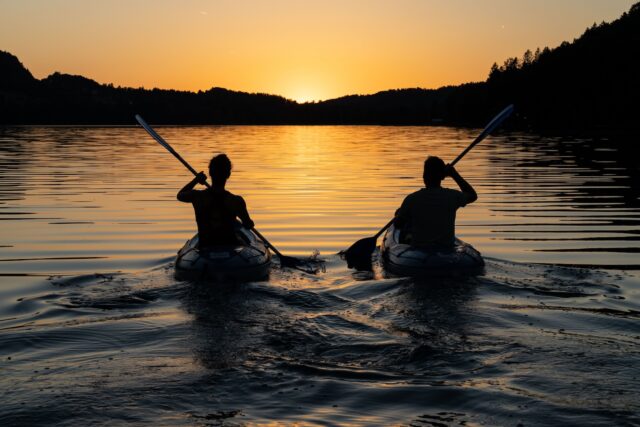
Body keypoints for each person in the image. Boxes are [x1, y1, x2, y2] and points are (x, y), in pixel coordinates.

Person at [394, 156, 477, 250]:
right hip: (447, 251)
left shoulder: (412, 199)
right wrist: (454, 175)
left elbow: (398, 225)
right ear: (443, 177)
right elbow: (472, 195)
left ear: (424, 176)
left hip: (419, 252)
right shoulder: (453, 196)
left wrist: (399, 214)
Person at [177, 153, 254, 248]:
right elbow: (248, 225)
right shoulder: (236, 201)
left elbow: (180, 195)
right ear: (228, 174)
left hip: (205, 247)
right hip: (230, 247)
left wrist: (196, 180)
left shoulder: (197, 196)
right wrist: (249, 222)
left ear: (210, 173)